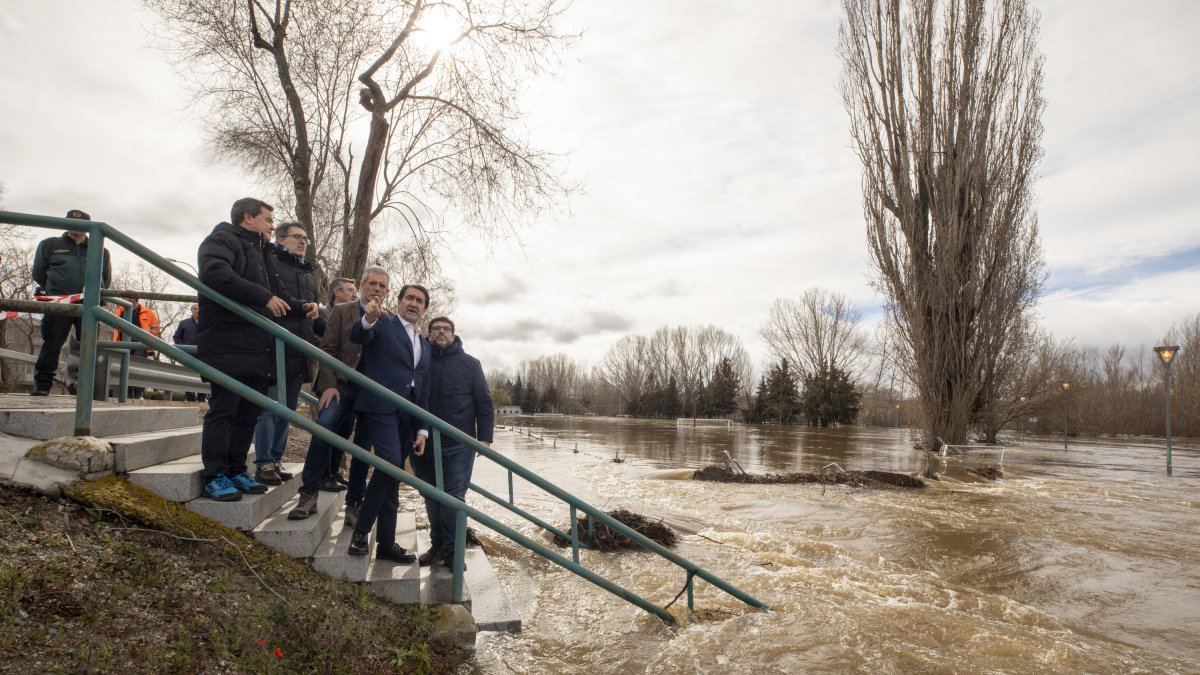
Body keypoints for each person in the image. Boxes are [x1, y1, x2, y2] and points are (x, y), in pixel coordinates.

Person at [196, 198, 317, 502]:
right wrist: (263, 298)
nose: (272, 227)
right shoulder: (221, 239)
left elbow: (278, 295)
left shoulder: (263, 252)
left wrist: (302, 309)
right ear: (248, 218)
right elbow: (215, 274)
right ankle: (216, 475)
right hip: (227, 344)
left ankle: (237, 469)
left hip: (257, 347)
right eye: (268, 220)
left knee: (248, 412)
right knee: (224, 410)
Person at [290, 271, 390, 522]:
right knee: (323, 430)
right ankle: (309, 494)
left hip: (371, 394)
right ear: (363, 286)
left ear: (387, 291)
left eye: (382, 286)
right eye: (372, 284)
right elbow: (328, 350)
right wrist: (329, 385)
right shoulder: (342, 311)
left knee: (363, 448)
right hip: (342, 387)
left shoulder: (390, 320)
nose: (376, 289)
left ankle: (354, 503)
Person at [345, 284, 432, 564]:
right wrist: (368, 317)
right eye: (409, 298)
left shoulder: (425, 344)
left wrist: (422, 428)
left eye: (420, 301)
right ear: (399, 301)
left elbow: (422, 388)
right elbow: (358, 334)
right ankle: (360, 532)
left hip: (408, 413)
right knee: (391, 464)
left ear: (425, 308)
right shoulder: (383, 323)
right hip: (380, 406)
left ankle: (386, 542)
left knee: (392, 478)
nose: (414, 303)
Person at [414, 316, 494, 568]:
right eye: (435, 328)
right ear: (428, 335)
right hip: (421, 441)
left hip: (457, 444)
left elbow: (484, 402)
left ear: (453, 334)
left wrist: (484, 438)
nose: (440, 332)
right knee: (430, 495)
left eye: (445, 329)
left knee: (453, 497)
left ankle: (453, 551)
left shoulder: (470, 364)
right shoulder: (419, 360)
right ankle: (437, 545)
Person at [251, 222, 320, 486]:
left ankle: (276, 460)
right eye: (297, 237)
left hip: (298, 352)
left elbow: (311, 319)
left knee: (288, 411)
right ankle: (264, 462)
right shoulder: (270, 264)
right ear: (281, 239)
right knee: (269, 409)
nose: (303, 242)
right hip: (274, 348)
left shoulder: (308, 275)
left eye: (306, 239)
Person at [29, 209, 112, 396]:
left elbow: (105, 279)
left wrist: (94, 296)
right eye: (72, 223)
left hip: (89, 306)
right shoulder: (49, 245)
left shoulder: (100, 250)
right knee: (52, 344)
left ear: (88, 228)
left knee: (88, 347)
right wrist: (55, 291)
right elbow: (38, 273)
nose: (76, 228)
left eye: (81, 224)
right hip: (59, 303)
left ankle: (82, 388)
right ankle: (42, 386)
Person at [114, 293, 162, 398]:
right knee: (125, 368)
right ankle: (126, 393)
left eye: (125, 298)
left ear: (133, 299)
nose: (123, 301)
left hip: (141, 344)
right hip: (123, 344)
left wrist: (148, 339)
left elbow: (156, 329)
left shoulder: (148, 312)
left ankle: (138, 393)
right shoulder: (120, 311)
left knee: (137, 368)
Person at [172, 304, 206, 401]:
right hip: (188, 355)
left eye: (199, 309)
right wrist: (184, 347)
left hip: (203, 355)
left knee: (203, 375)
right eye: (195, 309)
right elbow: (176, 337)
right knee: (187, 375)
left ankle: (202, 397)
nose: (197, 311)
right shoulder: (184, 323)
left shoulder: (207, 323)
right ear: (191, 310)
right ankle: (190, 397)